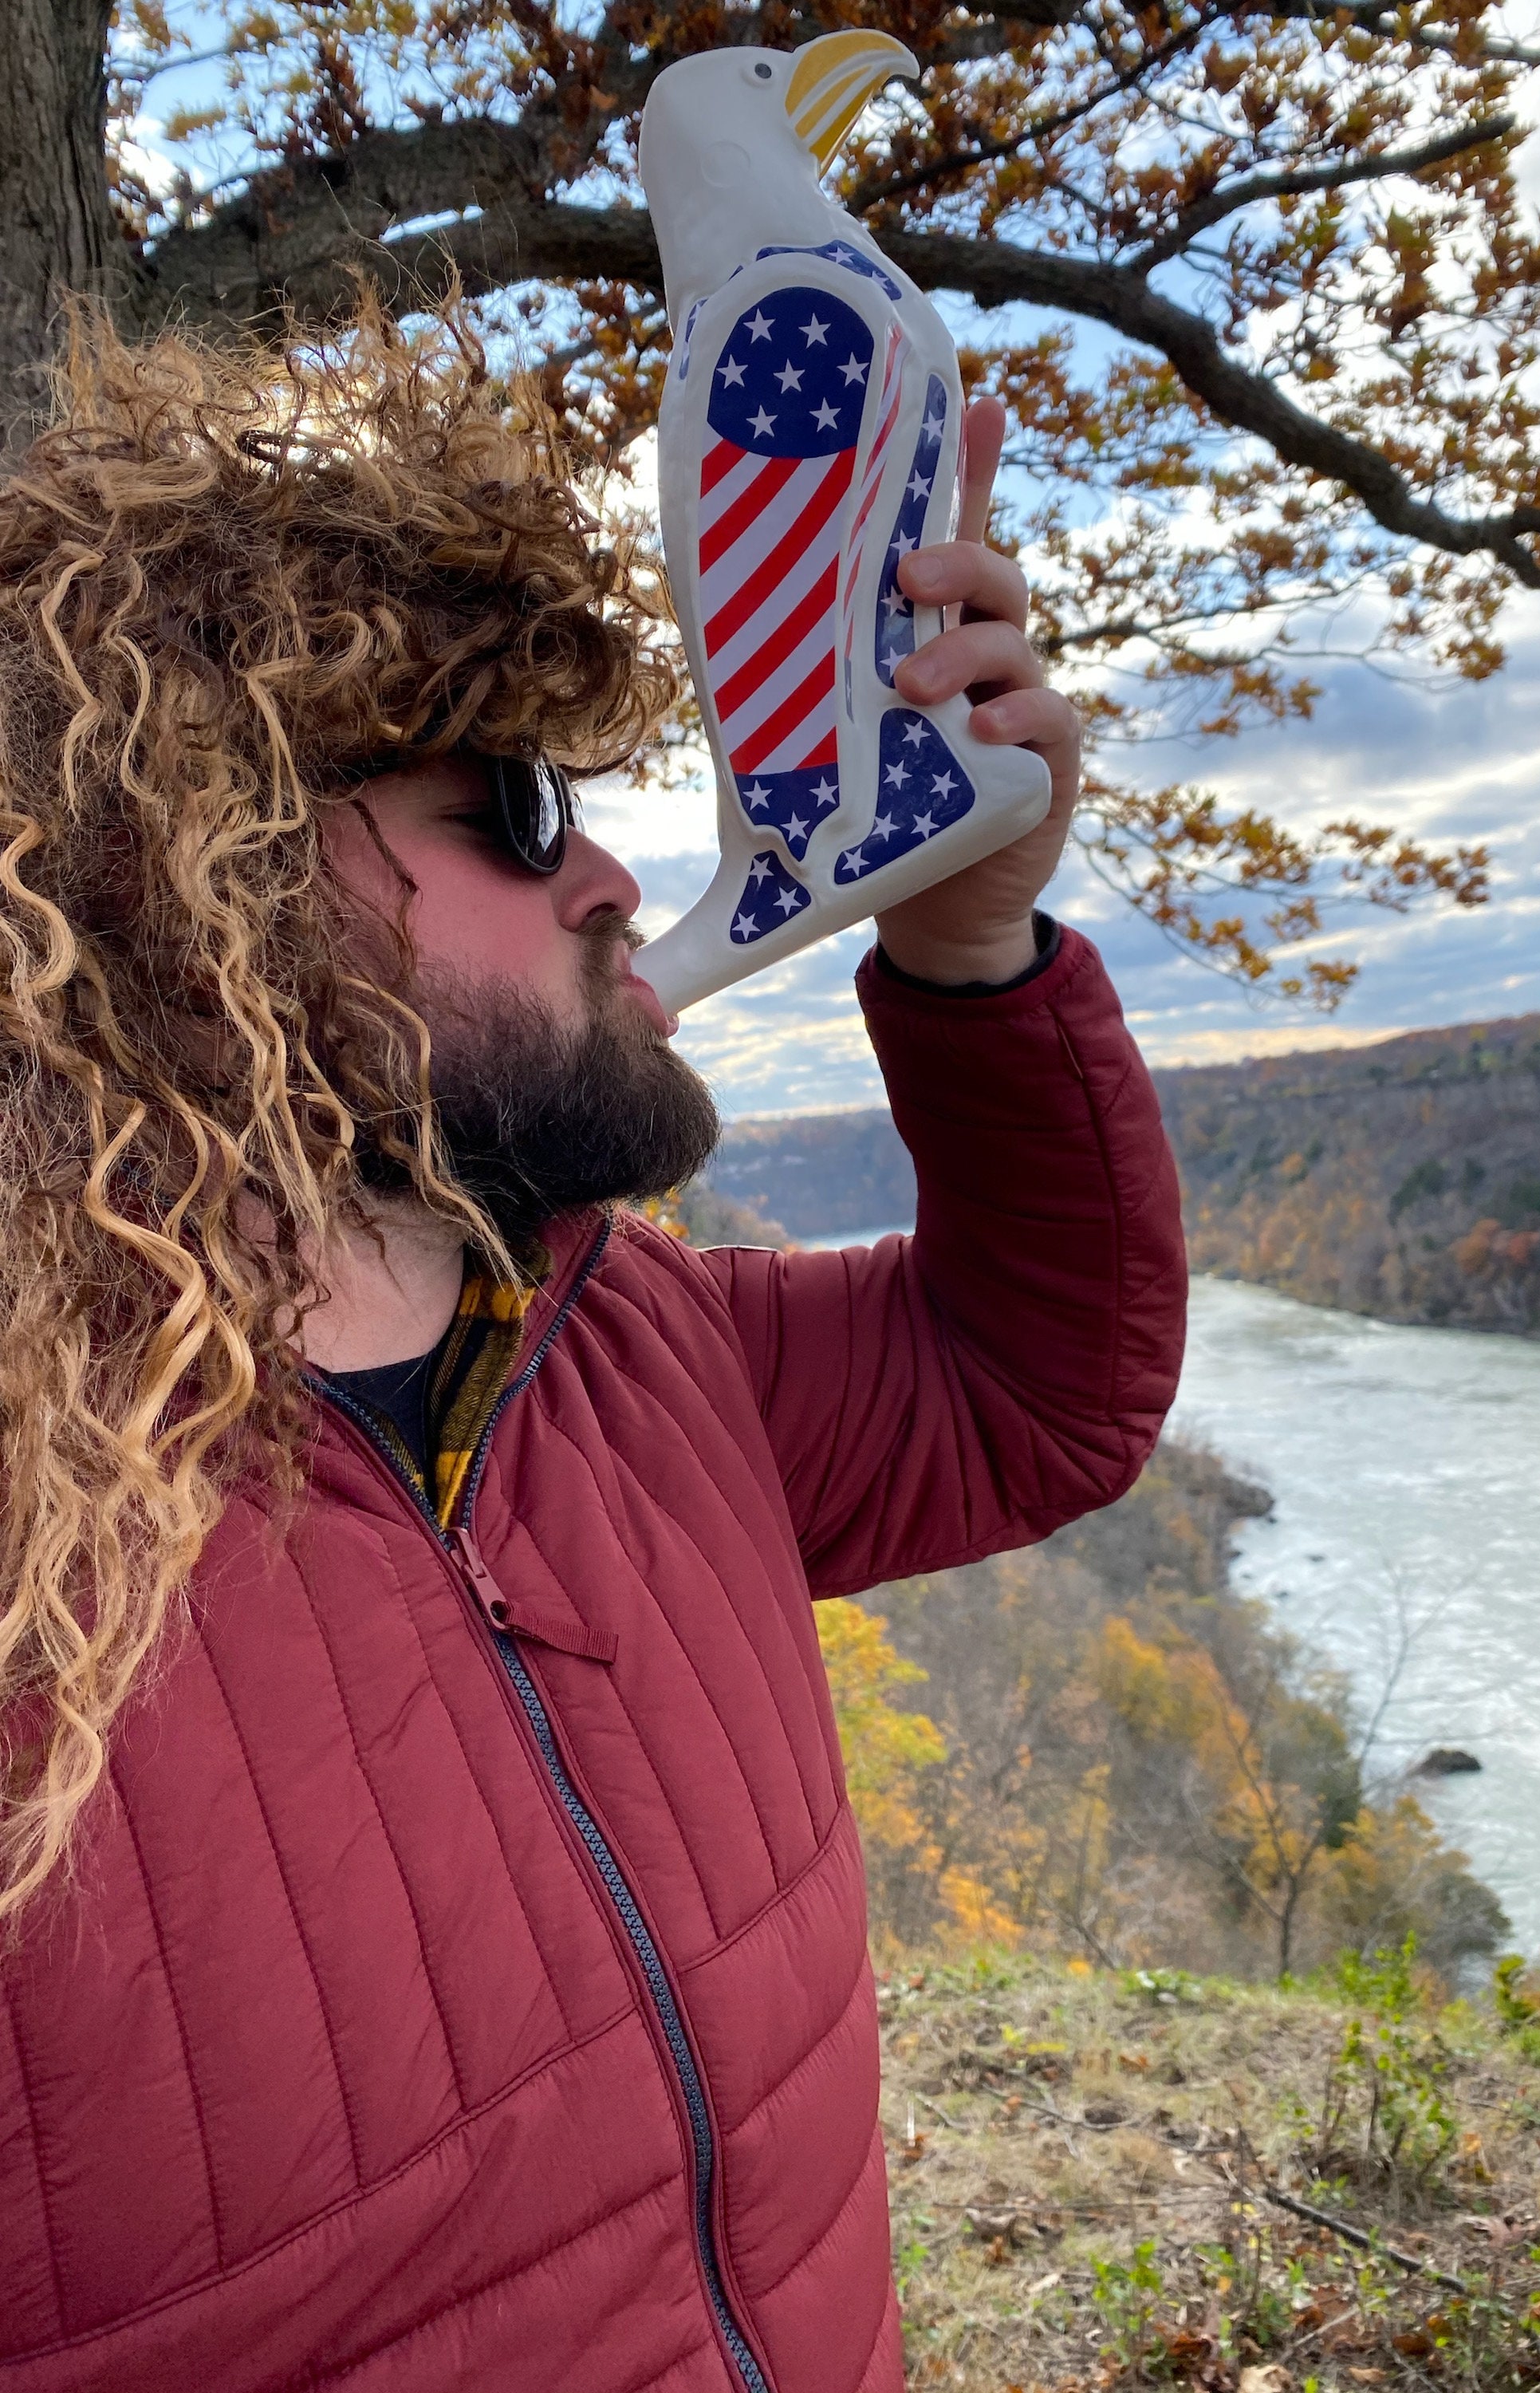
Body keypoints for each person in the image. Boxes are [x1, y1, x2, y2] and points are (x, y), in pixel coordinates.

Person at [0, 305, 1186, 2393]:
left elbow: (1036, 1393)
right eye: (524, 810)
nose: (623, 880)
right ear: (187, 880)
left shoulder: (628, 1343)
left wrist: (966, 942)